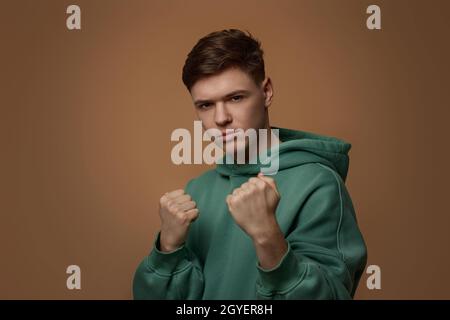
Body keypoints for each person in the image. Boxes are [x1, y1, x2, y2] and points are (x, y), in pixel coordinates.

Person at [133, 29, 367, 299]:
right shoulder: (197, 191)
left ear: (266, 92)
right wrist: (167, 248)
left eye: (235, 98)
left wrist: (268, 237)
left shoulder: (318, 185)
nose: (221, 118)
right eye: (206, 105)